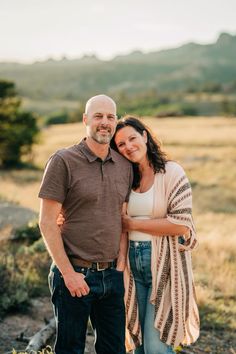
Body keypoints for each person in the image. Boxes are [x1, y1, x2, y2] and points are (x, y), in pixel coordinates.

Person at [38, 95, 133, 354]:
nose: (104, 122)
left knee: (114, 350)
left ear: (116, 121)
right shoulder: (63, 161)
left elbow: (123, 221)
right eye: (98, 116)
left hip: (112, 277)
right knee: (71, 349)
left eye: (110, 117)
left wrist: (120, 270)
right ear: (85, 120)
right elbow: (47, 222)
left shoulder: (124, 166)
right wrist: (69, 274)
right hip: (74, 274)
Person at [109, 116, 200, 354]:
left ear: (145, 137)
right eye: (120, 144)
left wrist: (132, 223)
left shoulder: (171, 171)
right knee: (138, 346)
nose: (128, 146)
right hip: (132, 267)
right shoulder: (126, 179)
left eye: (132, 138)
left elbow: (181, 225)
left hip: (164, 266)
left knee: (155, 348)